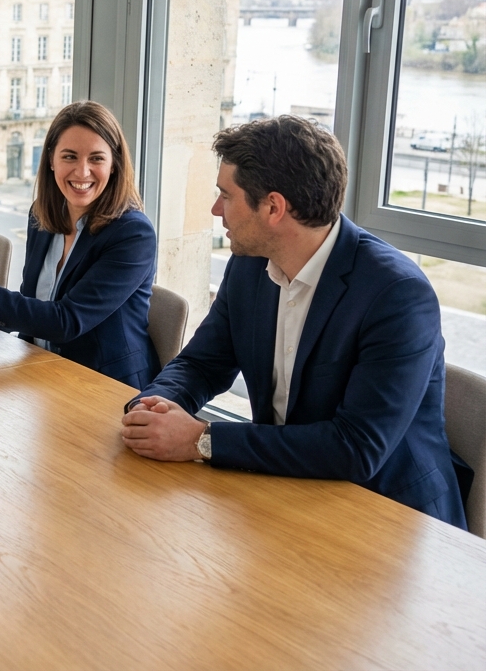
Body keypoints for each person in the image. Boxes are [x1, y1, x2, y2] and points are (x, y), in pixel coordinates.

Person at [120, 115, 468, 529]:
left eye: (225, 195)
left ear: (273, 207)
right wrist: (155, 406)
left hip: (390, 519)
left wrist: (201, 440)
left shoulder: (397, 295)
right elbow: (202, 363)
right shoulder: (249, 267)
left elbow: (356, 448)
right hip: (286, 492)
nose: (216, 211)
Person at [0, 101, 159, 389]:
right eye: (70, 156)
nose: (82, 171)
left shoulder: (133, 234)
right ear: (51, 160)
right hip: (41, 369)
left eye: (97, 159)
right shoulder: (42, 215)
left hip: (105, 385)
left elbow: (66, 321)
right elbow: (35, 304)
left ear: (114, 165)